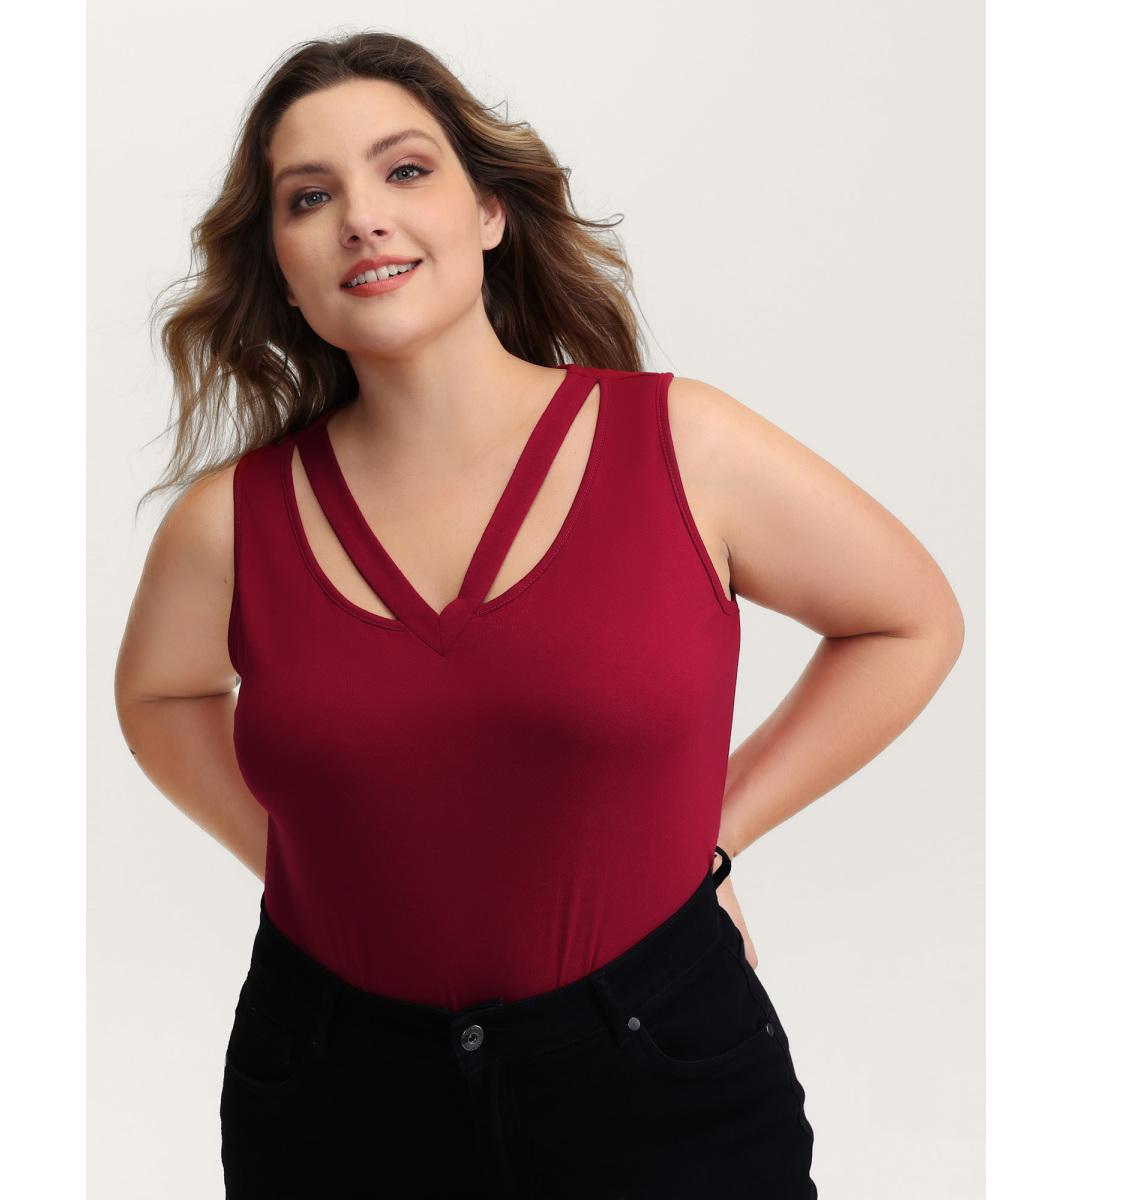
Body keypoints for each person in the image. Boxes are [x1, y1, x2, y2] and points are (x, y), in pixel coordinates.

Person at [114, 31, 964, 1200]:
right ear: (282, 268)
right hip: (332, 1093)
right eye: (310, 198)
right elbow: (159, 696)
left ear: (489, 212)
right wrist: (301, 860)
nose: (362, 217)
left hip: (658, 1077)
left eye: (405, 170)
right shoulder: (228, 523)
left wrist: (711, 838)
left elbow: (909, 620)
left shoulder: (682, 445)